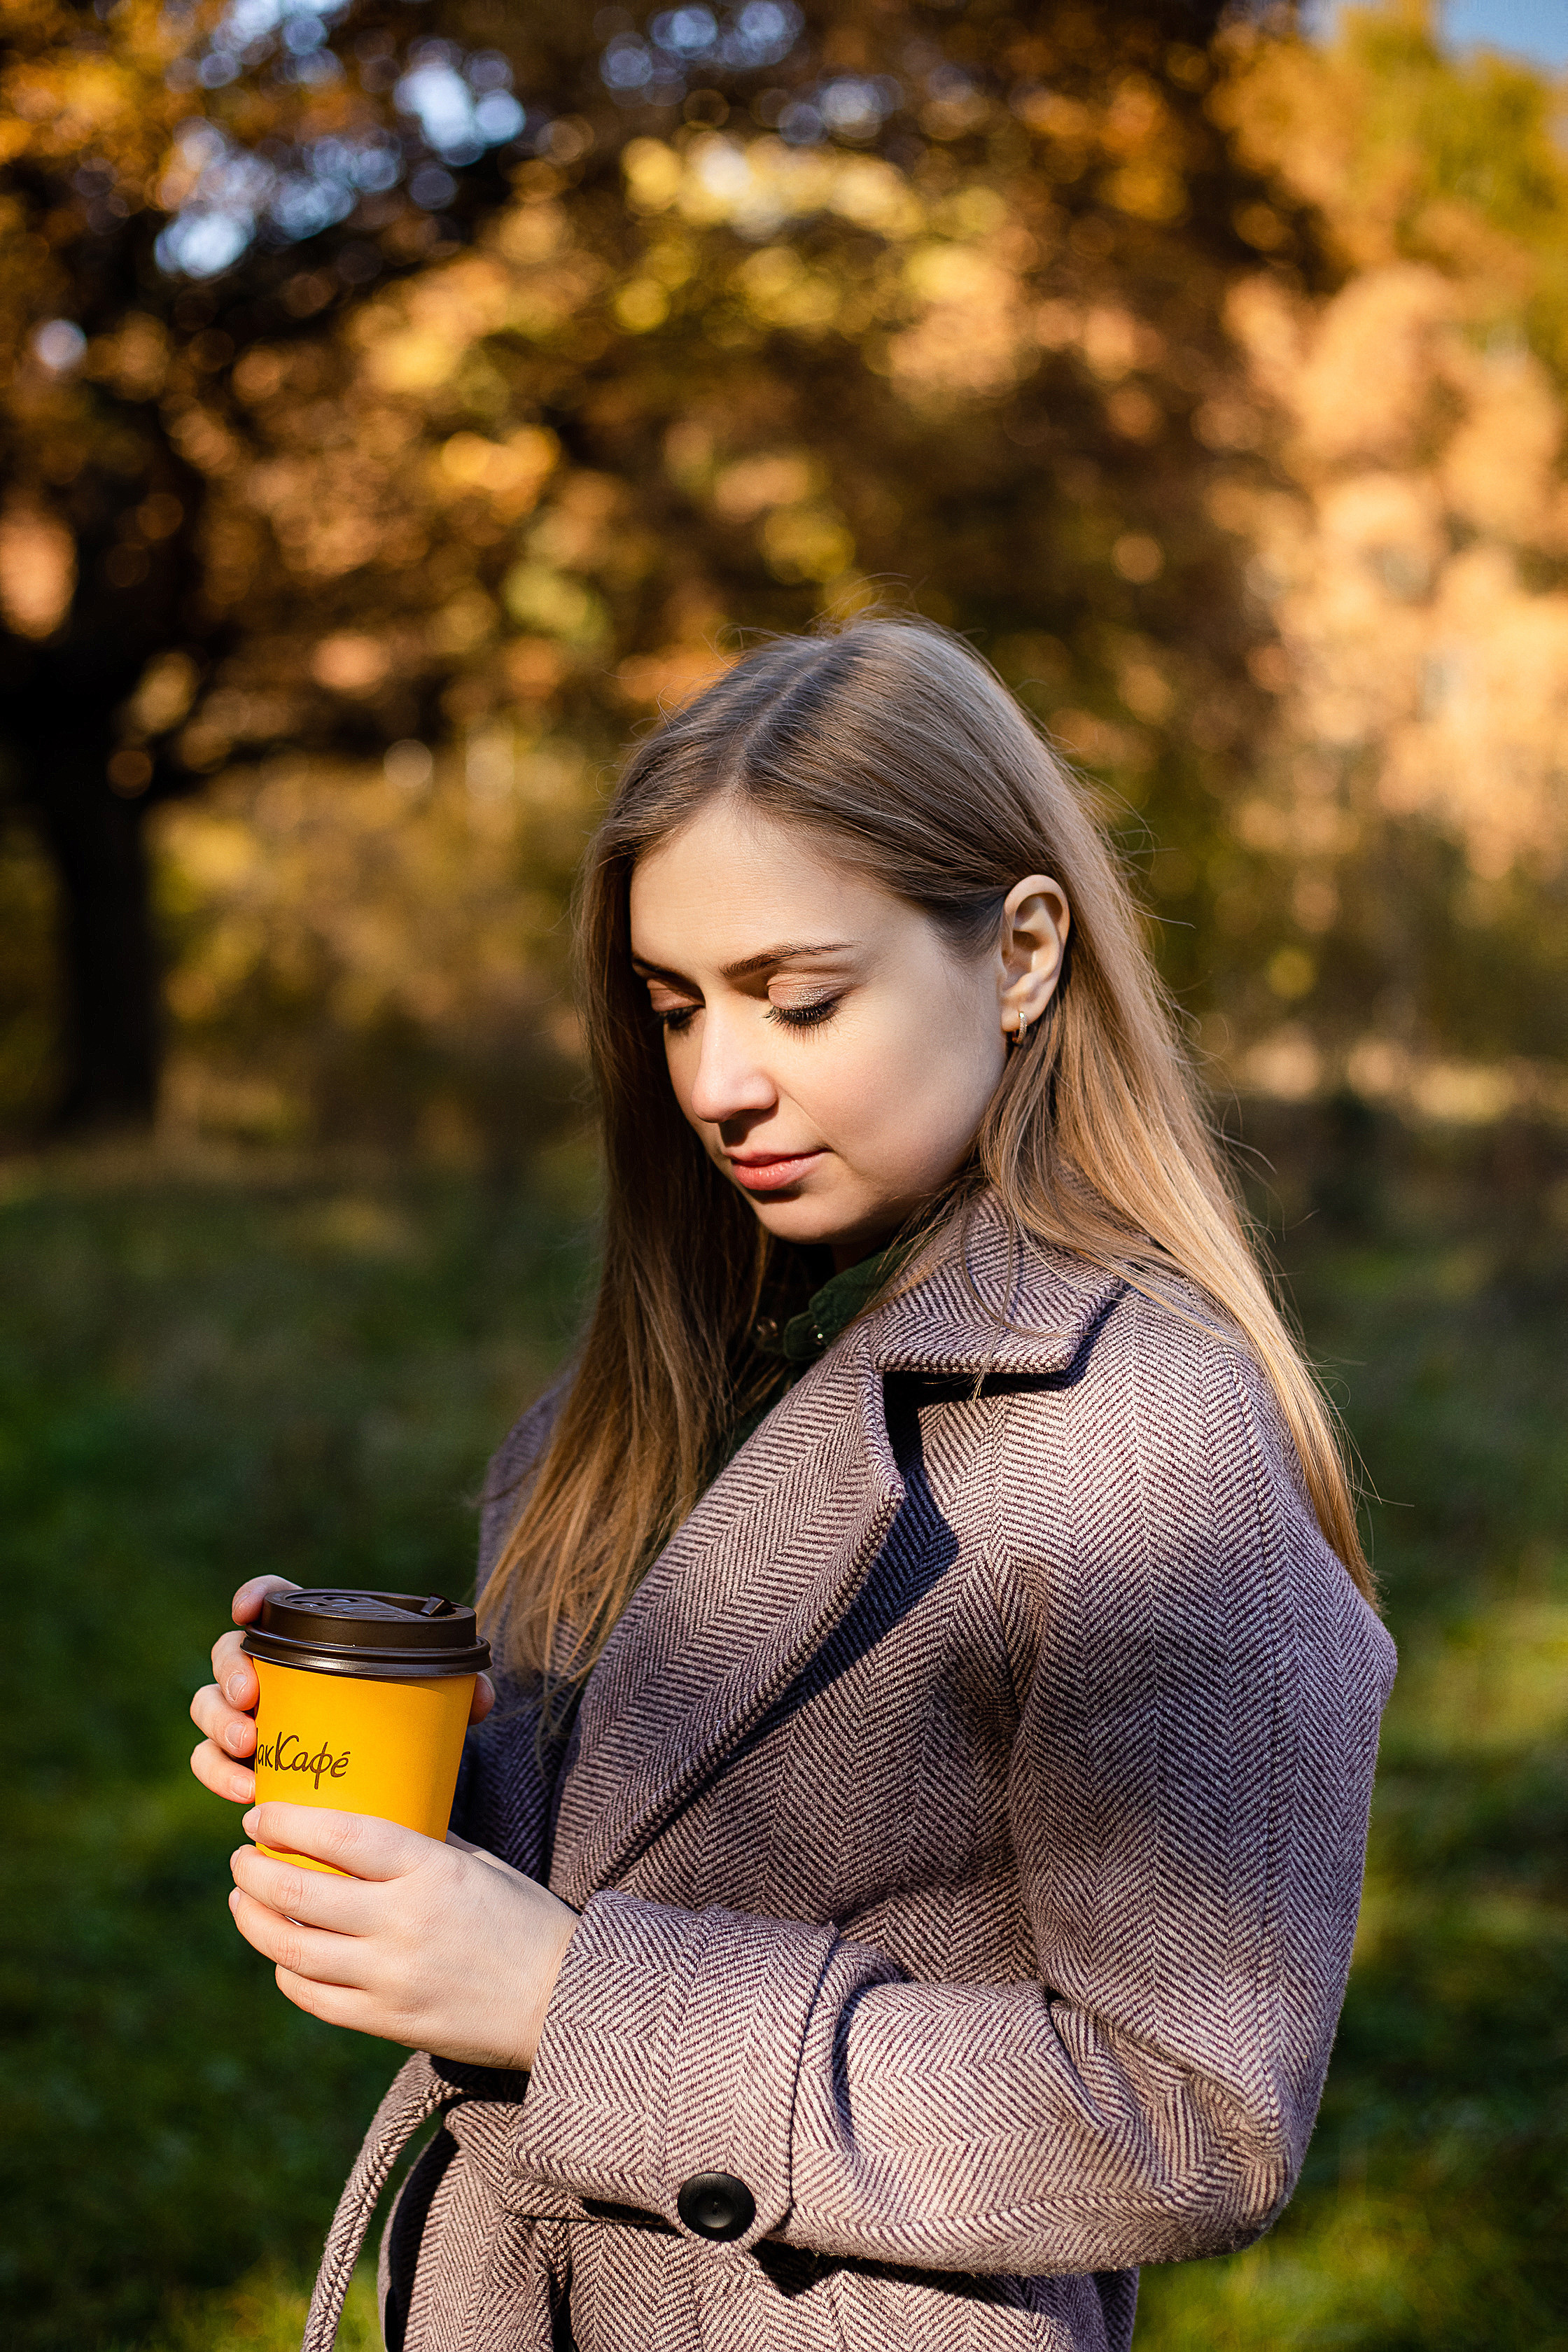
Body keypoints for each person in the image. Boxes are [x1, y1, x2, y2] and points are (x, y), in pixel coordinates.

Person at [190, 616, 1395, 2352]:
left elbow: (1188, 2114)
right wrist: (407, 1804)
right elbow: (664, 1849)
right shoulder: (624, 1415)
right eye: (673, 1006)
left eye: (799, 998)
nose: (717, 1083)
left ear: (1022, 954)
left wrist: (565, 1996)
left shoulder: (1146, 1445)